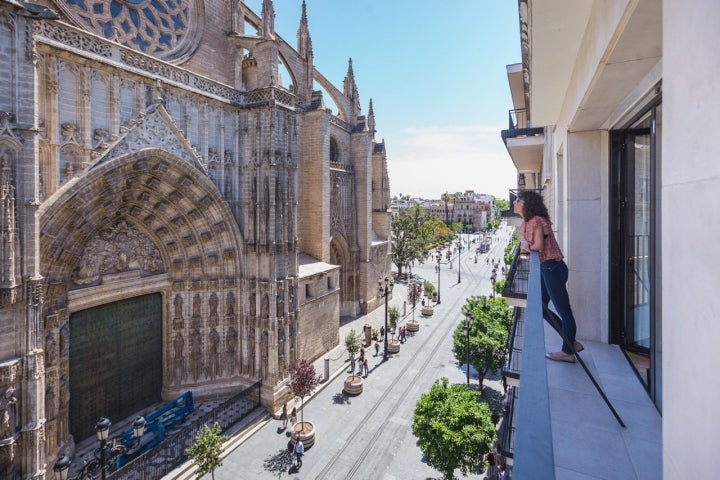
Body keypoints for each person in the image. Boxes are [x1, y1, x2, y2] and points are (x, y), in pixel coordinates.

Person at [515, 190, 583, 363]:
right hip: (547, 268)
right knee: (541, 307)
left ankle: (568, 352)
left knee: (564, 311)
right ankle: (570, 340)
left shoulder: (537, 220)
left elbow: (538, 245)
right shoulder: (527, 222)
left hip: (553, 268)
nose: (514, 202)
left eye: (517, 200)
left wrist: (526, 247)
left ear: (524, 204)